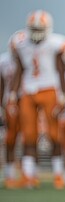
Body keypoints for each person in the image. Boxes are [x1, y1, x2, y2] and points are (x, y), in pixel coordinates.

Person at [10, 10, 65, 189]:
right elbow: (19, 70)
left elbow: (60, 70)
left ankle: (59, 175)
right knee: (29, 135)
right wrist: (13, 93)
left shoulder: (55, 44)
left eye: (39, 28)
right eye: (33, 28)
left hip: (50, 89)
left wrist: (64, 93)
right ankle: (29, 175)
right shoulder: (20, 44)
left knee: (54, 134)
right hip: (27, 90)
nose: (36, 32)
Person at [0, 41, 18, 189]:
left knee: (30, 138)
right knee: (9, 138)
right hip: (9, 104)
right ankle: (9, 174)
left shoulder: (30, 58)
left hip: (26, 100)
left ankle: (29, 174)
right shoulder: (3, 61)